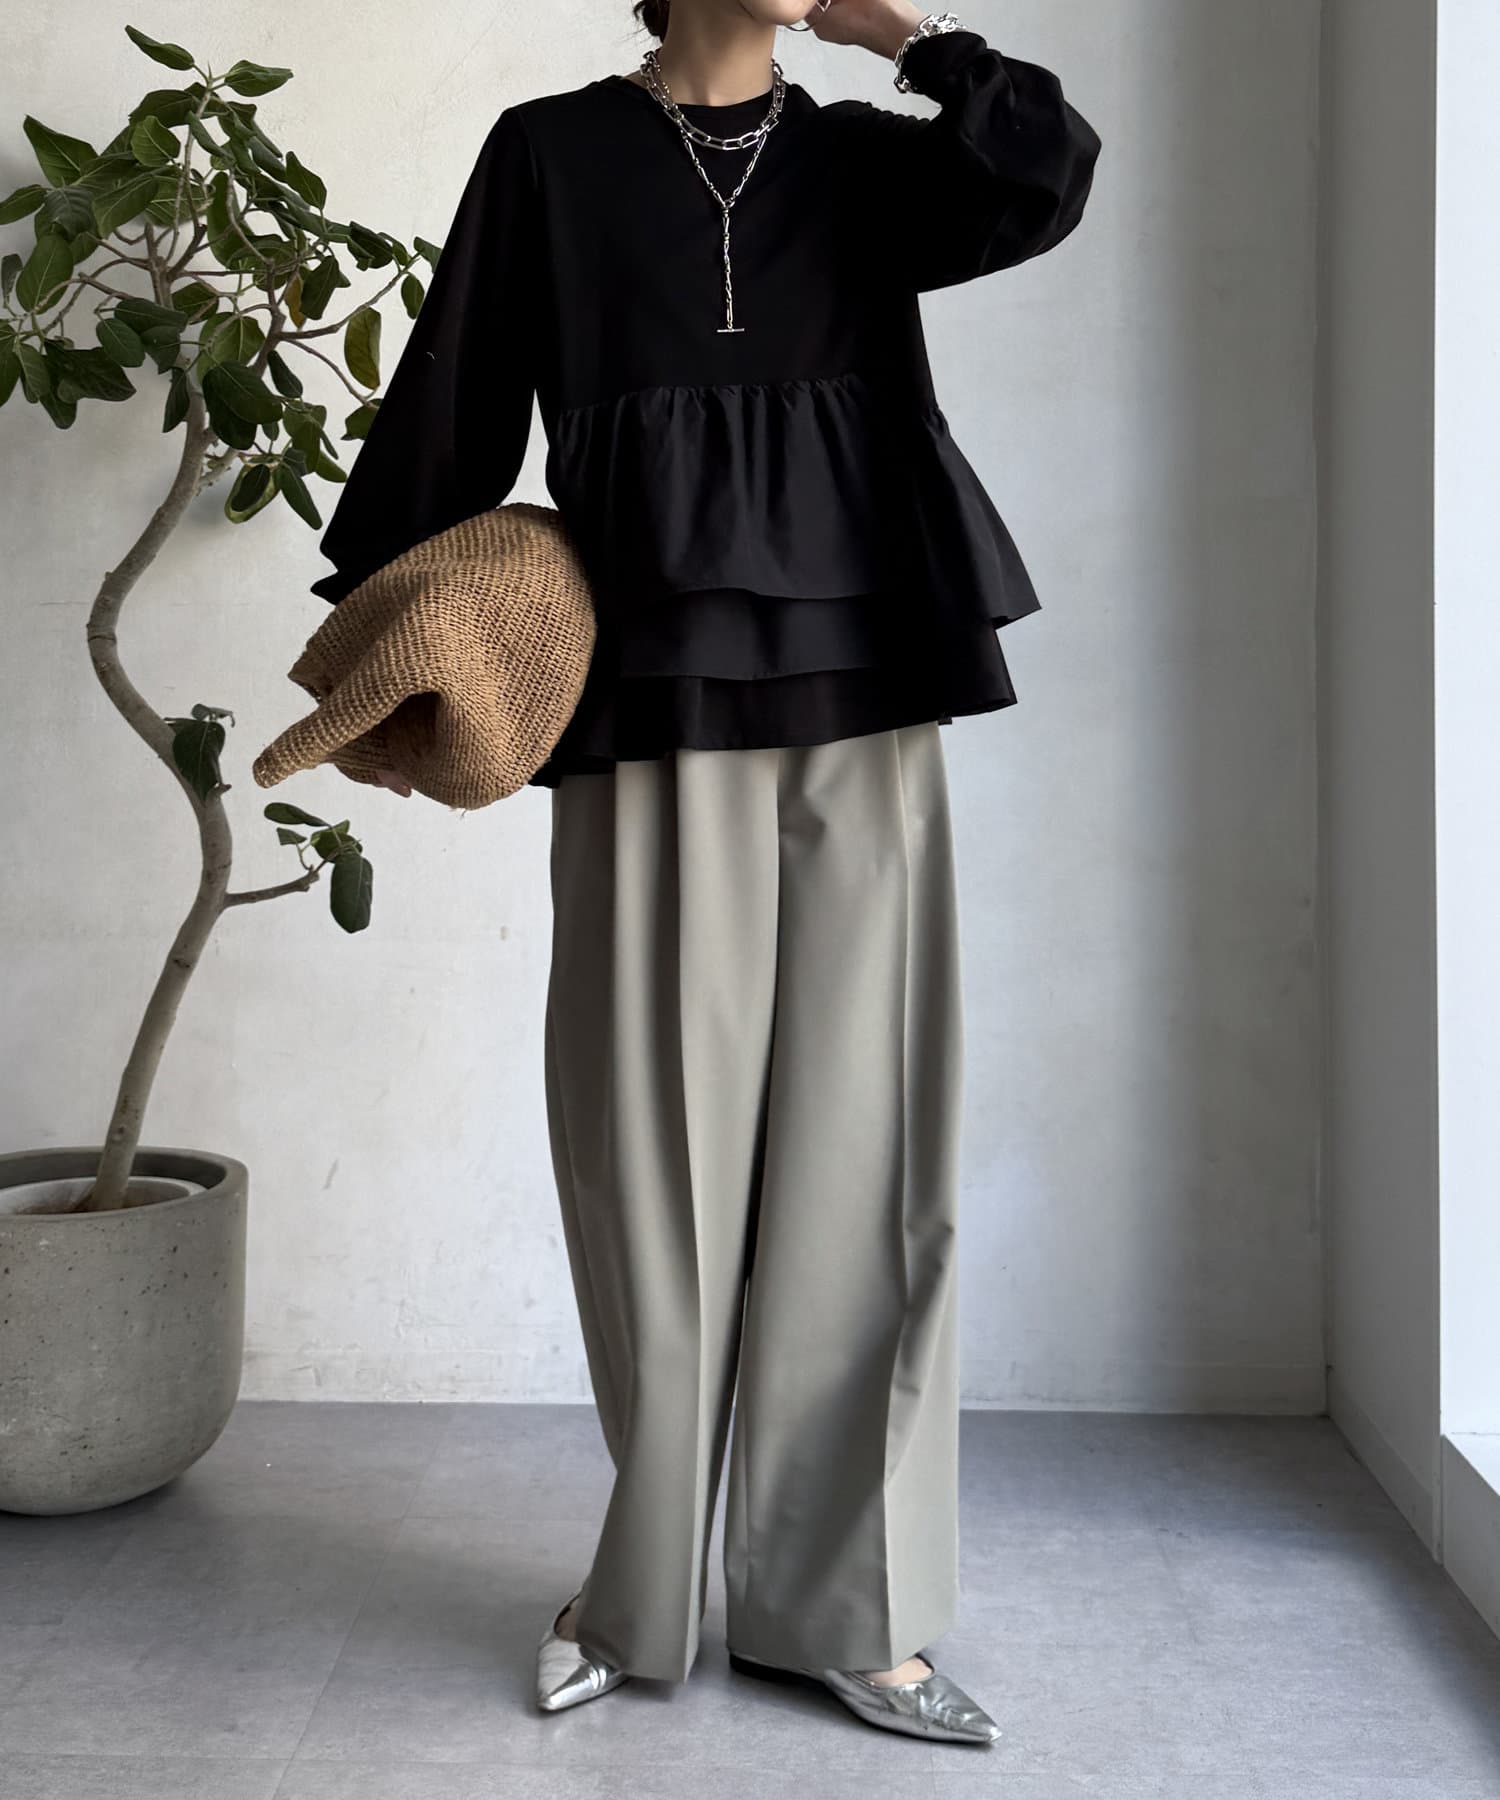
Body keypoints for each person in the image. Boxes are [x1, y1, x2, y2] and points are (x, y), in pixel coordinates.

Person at [310, 0, 1100, 1747]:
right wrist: (390, 653)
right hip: (645, 686)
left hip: (864, 672)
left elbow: (1047, 168)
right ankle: (640, 1587)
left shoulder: (865, 160)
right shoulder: (552, 154)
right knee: (650, 1154)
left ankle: (851, 1608)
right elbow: (456, 394)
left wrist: (904, 35)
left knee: (869, 1147)